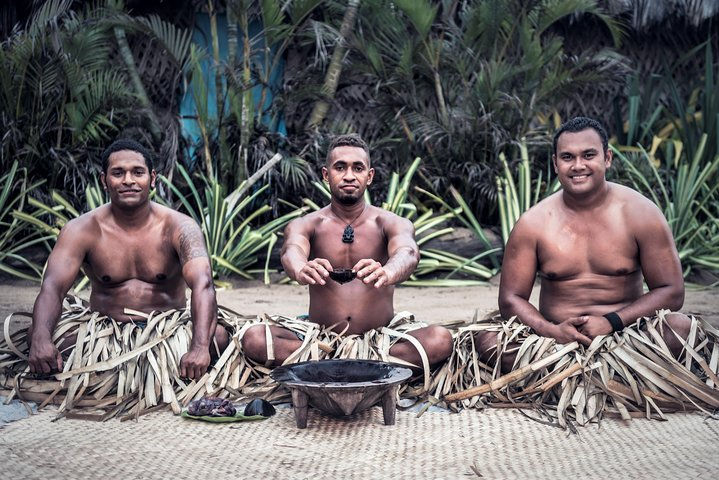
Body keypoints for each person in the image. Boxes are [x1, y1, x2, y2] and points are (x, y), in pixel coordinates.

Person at [477, 116, 690, 371]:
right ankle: (579, 378)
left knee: (680, 328)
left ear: (607, 158)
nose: (578, 165)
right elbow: (511, 299)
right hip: (554, 344)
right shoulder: (533, 223)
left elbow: (672, 291)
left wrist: (612, 321)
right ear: (555, 163)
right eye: (568, 157)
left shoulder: (641, 213)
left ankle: (611, 377)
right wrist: (551, 331)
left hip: (629, 336)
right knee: (488, 341)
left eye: (588, 155)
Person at [241, 134, 453, 370]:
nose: (349, 176)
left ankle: (336, 368)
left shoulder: (391, 222)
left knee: (440, 340)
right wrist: (301, 268)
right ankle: (355, 367)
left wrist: (388, 271)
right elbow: (291, 250)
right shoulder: (308, 224)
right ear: (326, 175)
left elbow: (408, 252)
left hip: (381, 342)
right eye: (340, 167)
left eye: (358, 168)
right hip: (319, 342)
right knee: (254, 338)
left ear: (369, 176)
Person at [27, 139, 228, 380]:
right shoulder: (81, 229)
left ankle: (152, 368)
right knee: (37, 334)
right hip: (104, 333)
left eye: (138, 172)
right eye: (118, 173)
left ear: (152, 178)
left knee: (217, 338)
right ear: (104, 180)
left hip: (168, 330)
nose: (128, 180)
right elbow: (52, 288)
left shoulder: (180, 227)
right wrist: (40, 338)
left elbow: (203, 285)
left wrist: (198, 346)